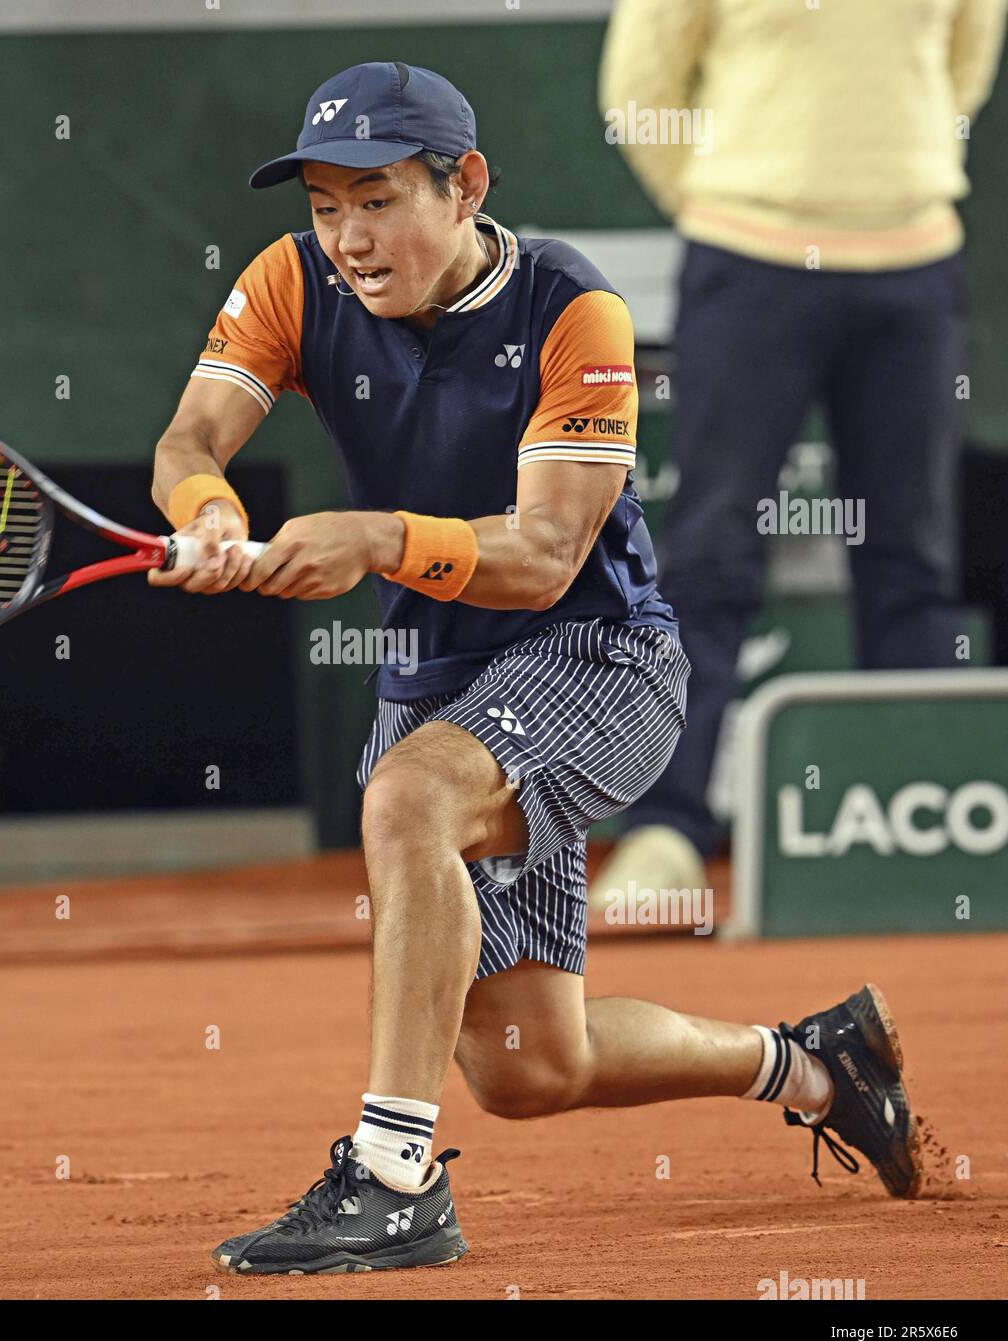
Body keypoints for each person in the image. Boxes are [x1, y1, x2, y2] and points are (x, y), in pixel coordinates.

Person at [149, 62, 919, 1278]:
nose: (347, 237)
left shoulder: (572, 308)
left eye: (378, 199)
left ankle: (394, 1177)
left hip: (600, 658)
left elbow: (548, 552)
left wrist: (377, 539)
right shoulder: (288, 282)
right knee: (530, 1068)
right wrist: (203, 510)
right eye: (326, 206)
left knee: (407, 796)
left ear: (465, 187)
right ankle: (821, 1064)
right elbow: (194, 438)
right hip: (441, 680)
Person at [594, 0, 1008, 903]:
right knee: (708, 554)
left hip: (916, 260)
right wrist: (735, 199)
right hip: (748, 260)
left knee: (915, 560)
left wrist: (899, 181)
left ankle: (920, 826)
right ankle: (665, 830)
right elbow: (638, 91)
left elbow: (962, 68)